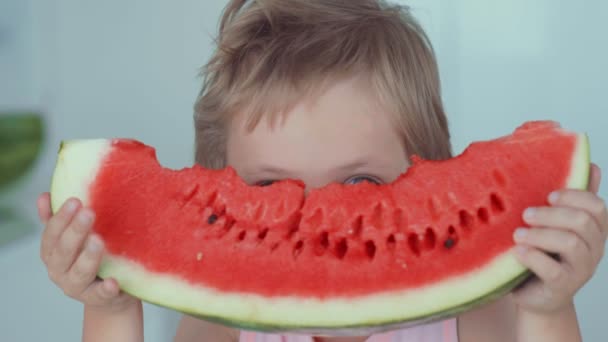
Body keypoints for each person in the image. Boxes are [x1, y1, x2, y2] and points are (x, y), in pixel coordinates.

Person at [37, 1, 607, 341]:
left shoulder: (479, 316)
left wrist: (548, 307)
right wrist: (109, 307)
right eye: (266, 191)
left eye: (361, 184)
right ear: (219, 197)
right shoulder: (221, 324)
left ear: (431, 173)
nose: (319, 219)